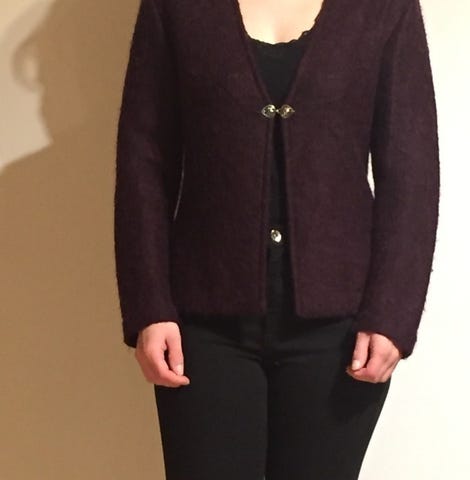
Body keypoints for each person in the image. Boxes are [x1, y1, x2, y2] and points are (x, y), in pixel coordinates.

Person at [114, 0, 439, 478]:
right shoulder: (175, 7)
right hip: (201, 328)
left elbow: (411, 172)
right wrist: (149, 306)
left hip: (341, 332)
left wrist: (392, 314)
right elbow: (144, 161)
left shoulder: (384, 8)